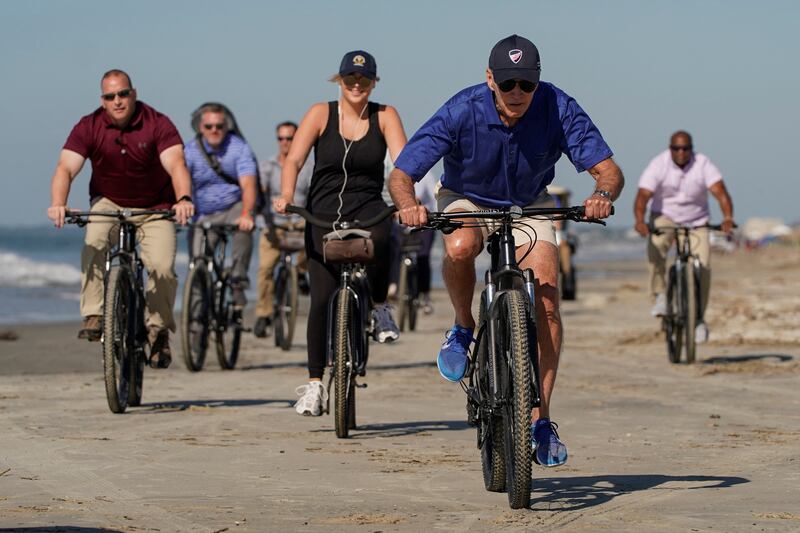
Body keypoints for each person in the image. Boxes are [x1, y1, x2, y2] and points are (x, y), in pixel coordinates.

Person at [389, 35, 623, 467]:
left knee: (548, 295)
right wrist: (408, 206)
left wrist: (601, 195)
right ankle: (463, 326)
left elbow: (608, 171)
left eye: (527, 84)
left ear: (537, 82)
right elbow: (403, 171)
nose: (517, 93)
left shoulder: (557, 106)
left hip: (529, 202)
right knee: (460, 246)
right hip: (467, 195)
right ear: (490, 78)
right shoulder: (462, 108)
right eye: (508, 82)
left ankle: (541, 420)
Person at [273, 50, 408, 416]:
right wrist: (287, 195)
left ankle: (380, 306)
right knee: (320, 298)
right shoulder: (320, 113)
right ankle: (315, 384)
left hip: (368, 206)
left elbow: (403, 163)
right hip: (323, 211)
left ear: (374, 82)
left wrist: (408, 200)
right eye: (350, 79)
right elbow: (295, 159)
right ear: (340, 80)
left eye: (364, 80)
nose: (357, 85)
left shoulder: (385, 115)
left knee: (382, 238)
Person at [47, 69, 194, 368]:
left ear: (134, 93)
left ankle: (159, 331)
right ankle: (95, 314)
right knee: (94, 243)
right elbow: (65, 167)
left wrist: (183, 199)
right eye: (110, 96)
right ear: (102, 101)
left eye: (123, 94)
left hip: (155, 207)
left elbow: (176, 163)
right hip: (108, 202)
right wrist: (58, 203)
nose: (117, 101)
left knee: (163, 267)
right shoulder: (88, 126)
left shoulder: (157, 123)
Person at [633, 130, 735, 342]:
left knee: (704, 265)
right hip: (665, 217)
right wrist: (640, 221)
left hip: (697, 220)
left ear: (691, 148)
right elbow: (643, 196)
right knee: (656, 245)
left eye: (686, 148)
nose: (681, 152)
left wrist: (727, 217)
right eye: (676, 148)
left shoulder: (703, 164)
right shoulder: (658, 164)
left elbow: (721, 192)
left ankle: (698, 319)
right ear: (670, 148)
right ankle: (660, 295)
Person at [184, 103, 258, 308]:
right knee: (198, 262)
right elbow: (181, 181)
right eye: (209, 126)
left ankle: (237, 281)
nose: (214, 130)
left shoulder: (239, 148)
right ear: (201, 127)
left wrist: (247, 213)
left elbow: (249, 184)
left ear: (227, 126)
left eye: (219, 126)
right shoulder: (190, 151)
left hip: (233, 206)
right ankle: (197, 317)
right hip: (203, 213)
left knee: (245, 227)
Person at [254, 121, 313, 338]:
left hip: (300, 222)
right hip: (274, 224)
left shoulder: (309, 167)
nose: (285, 143)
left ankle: (300, 272)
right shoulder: (267, 166)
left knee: (316, 240)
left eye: (290, 138)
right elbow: (258, 193)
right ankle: (263, 314)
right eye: (281, 138)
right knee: (265, 268)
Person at [388, 169, 438, 315]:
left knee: (423, 256)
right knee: (394, 251)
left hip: (424, 222)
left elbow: (434, 198)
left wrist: (431, 216)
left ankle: (425, 295)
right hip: (400, 222)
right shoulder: (394, 175)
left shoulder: (427, 176)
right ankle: (393, 284)